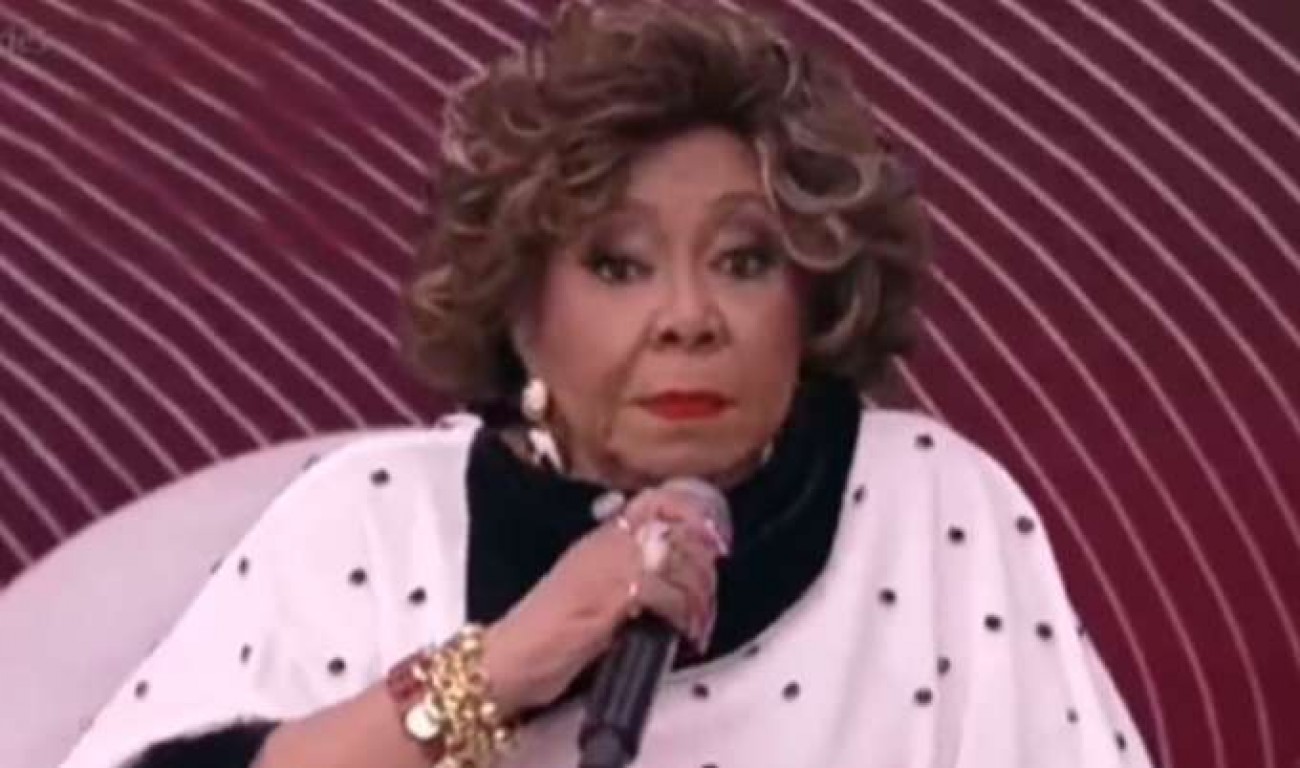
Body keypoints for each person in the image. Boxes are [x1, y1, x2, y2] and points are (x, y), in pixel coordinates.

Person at [59, 2, 1153, 767]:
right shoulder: (374, 520)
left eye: (744, 259)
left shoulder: (928, 506)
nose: (688, 316)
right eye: (619, 266)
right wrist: (498, 672)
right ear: (520, 307)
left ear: (814, 292)